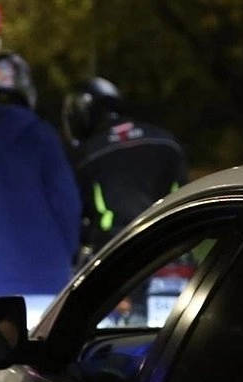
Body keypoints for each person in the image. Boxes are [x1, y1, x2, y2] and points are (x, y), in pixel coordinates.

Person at [0, 51, 82, 328]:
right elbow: (67, 204)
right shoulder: (41, 135)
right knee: (44, 352)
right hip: (47, 275)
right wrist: (63, 256)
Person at [62, 77, 189, 327]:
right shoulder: (166, 141)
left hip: (116, 256)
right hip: (173, 249)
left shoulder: (88, 156)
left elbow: (76, 216)